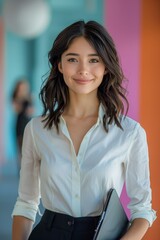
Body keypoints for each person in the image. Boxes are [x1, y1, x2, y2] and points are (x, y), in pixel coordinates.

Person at [12, 20, 156, 240]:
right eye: (72, 59)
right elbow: (26, 204)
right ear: (60, 65)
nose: (83, 70)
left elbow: (142, 209)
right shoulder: (37, 129)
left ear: (106, 66)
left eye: (94, 60)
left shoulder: (130, 133)